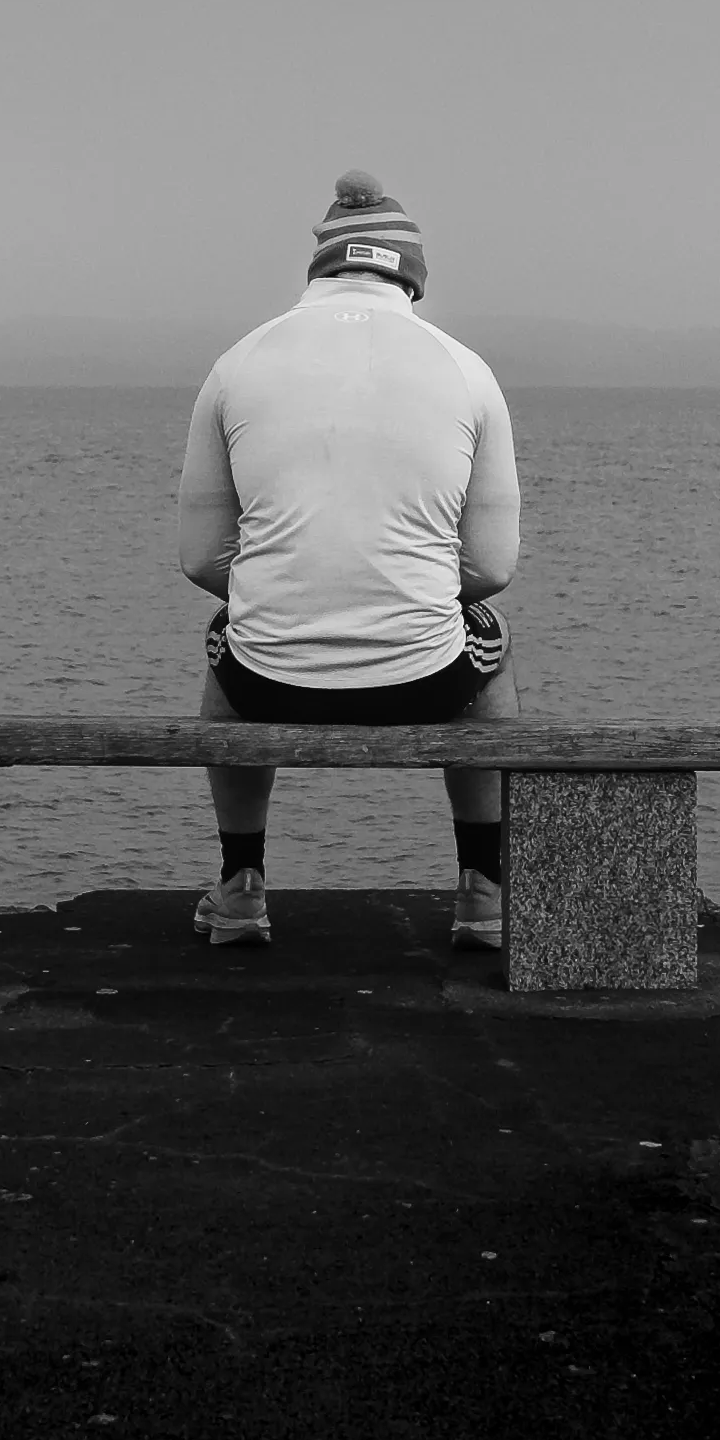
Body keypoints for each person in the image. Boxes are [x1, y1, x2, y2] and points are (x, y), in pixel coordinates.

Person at [175, 170, 522, 951]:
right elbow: (493, 567)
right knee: (491, 642)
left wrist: (284, 595)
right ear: (412, 275)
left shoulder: (238, 362)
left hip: (267, 680)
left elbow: (199, 558)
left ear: (320, 268)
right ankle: (484, 894)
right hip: (424, 676)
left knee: (221, 636)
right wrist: (409, 595)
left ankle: (239, 890)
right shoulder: (467, 371)